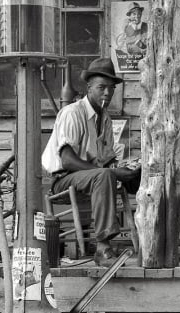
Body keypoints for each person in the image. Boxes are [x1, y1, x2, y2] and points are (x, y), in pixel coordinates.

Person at [41, 57, 139, 266]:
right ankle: (103, 248)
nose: (107, 93)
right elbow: (67, 161)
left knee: (146, 173)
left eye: (111, 89)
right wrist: (110, 172)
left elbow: (108, 159)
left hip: (93, 177)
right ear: (89, 88)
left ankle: (155, 239)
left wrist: (127, 168)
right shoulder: (72, 113)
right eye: (101, 88)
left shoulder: (105, 118)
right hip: (64, 180)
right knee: (104, 175)